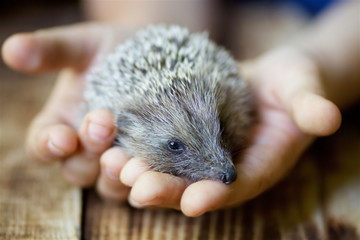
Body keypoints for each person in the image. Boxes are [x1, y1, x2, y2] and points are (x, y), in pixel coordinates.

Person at [1, 0, 359, 217]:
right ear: (123, 128)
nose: (224, 166)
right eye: (175, 146)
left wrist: (328, 59)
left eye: (219, 127)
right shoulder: (119, 115)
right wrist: (146, 19)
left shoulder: (224, 91)